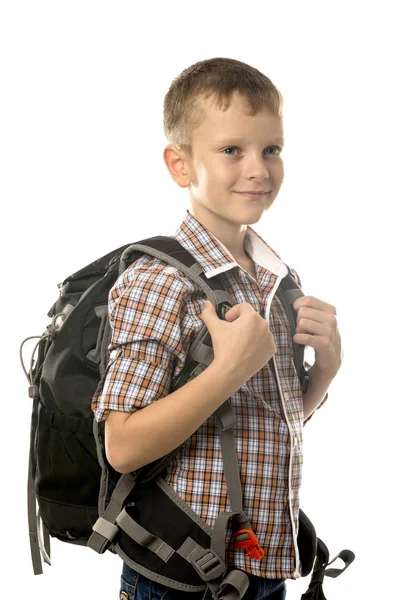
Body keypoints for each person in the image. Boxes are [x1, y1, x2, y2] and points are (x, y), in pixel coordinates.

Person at [92, 57, 342, 600]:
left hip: (265, 570)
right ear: (180, 165)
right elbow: (123, 445)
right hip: (183, 578)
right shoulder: (160, 280)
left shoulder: (276, 280)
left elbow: (267, 423)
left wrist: (326, 370)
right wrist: (227, 368)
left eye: (271, 149)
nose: (258, 168)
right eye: (232, 150)